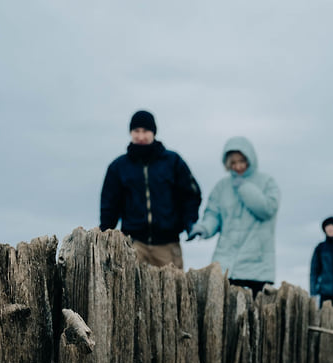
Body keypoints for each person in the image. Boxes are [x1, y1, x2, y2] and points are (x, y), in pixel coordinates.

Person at [99, 110, 202, 268]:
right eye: (136, 131)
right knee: (130, 291)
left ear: (153, 132)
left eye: (145, 131)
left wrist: (189, 223)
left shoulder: (173, 162)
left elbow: (191, 195)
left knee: (173, 291)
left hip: (168, 245)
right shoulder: (118, 167)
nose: (140, 136)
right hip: (133, 245)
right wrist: (105, 234)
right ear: (130, 133)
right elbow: (109, 205)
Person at [187, 137, 280, 295]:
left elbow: (267, 209)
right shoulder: (222, 186)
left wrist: (244, 187)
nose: (238, 166)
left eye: (242, 161)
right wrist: (204, 228)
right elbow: (213, 214)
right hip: (226, 264)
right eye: (233, 162)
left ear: (250, 159)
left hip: (256, 266)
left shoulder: (266, 182)